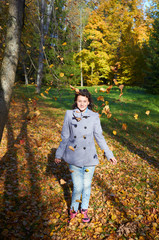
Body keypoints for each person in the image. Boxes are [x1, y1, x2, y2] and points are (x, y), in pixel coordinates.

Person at [55, 89, 117, 223]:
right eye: (79, 101)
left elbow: (99, 137)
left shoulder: (94, 116)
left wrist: (108, 154)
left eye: (84, 101)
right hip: (74, 157)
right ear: (76, 102)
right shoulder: (69, 114)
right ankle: (73, 209)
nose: (82, 104)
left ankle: (84, 210)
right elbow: (65, 136)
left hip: (89, 158)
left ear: (88, 102)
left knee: (87, 185)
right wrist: (59, 154)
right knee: (78, 186)